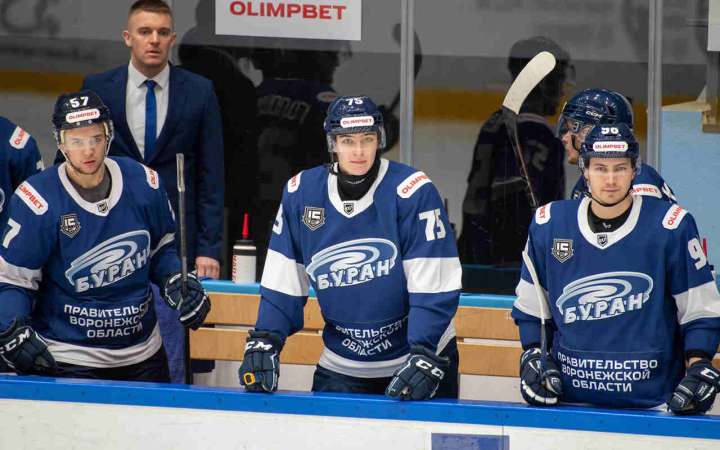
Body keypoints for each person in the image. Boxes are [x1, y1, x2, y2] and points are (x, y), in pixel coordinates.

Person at [238, 96, 461, 400]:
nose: (358, 151)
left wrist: (424, 350)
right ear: (333, 143)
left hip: (416, 359)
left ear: (379, 140)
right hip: (342, 365)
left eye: (367, 139)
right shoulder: (301, 193)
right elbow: (283, 281)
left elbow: (433, 284)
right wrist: (266, 339)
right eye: (348, 141)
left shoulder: (412, 192)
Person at [0, 90, 210, 381]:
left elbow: (162, 252)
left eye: (96, 138)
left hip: (143, 355)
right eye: (77, 141)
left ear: (109, 135)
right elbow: (14, 281)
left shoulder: (145, 182)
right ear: (61, 142)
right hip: (68, 357)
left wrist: (177, 280)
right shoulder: (37, 200)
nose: (88, 150)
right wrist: (13, 328)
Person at [512, 123, 720, 414]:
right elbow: (533, 309)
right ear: (584, 170)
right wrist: (533, 355)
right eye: (600, 168)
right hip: (569, 402)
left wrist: (699, 365)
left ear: (635, 170)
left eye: (620, 168)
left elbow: (699, 311)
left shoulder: (671, 226)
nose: (610, 180)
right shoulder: (550, 224)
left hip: (654, 404)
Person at [74, 0, 224, 382]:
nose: (153, 40)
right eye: (145, 32)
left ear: (172, 38)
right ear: (128, 37)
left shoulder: (200, 91)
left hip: (177, 241)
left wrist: (208, 248)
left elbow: (211, 177)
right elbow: (75, 166)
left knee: (175, 343)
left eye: (162, 32)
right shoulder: (98, 88)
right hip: (110, 236)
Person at [458, 36, 570, 265]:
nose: (562, 91)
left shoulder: (496, 122)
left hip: (477, 249)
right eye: (559, 79)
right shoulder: (534, 133)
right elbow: (513, 206)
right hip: (508, 262)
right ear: (544, 83)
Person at [558, 88, 677, 202]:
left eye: (573, 128)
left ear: (590, 132)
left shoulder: (639, 182)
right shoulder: (586, 181)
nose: (564, 138)